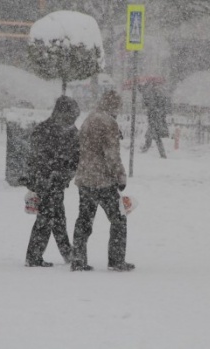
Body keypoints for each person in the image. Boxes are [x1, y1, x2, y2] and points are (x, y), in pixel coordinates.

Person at [71, 90, 135, 272]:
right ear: (114, 105)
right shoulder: (108, 123)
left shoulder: (89, 119)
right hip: (103, 180)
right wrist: (120, 177)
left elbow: (79, 148)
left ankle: (78, 259)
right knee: (118, 219)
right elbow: (111, 155)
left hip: (84, 178)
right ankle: (116, 260)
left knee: (84, 219)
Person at [24, 96, 80, 267]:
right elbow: (38, 157)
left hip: (52, 179)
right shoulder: (51, 130)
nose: (73, 119)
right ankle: (34, 256)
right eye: (71, 115)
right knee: (47, 218)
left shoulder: (49, 129)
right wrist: (57, 172)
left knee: (57, 216)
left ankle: (66, 252)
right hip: (48, 180)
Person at [140, 83, 170, 158]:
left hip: (154, 119)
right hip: (156, 119)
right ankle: (146, 148)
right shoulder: (159, 95)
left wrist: (147, 105)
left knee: (155, 136)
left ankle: (161, 153)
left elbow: (150, 106)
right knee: (151, 135)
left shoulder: (152, 96)